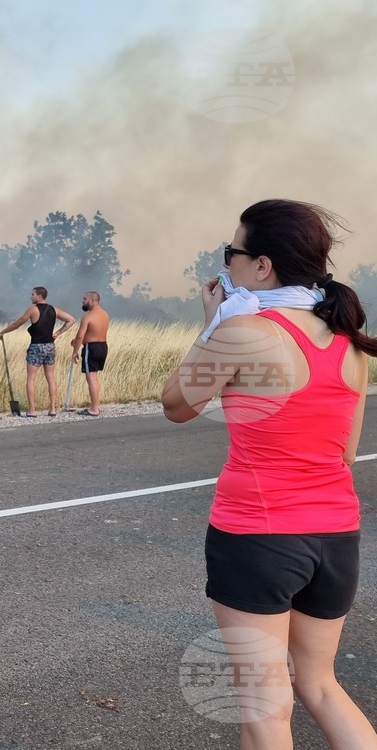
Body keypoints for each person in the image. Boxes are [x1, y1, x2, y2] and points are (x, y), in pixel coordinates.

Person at [161, 199, 377, 749]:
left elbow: (176, 404)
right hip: (335, 536)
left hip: (258, 533)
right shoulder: (350, 344)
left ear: (262, 266)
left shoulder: (245, 332)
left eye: (231, 252)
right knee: (321, 686)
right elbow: (346, 453)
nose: (225, 264)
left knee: (264, 703)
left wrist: (212, 324)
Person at [0, 286, 75, 416]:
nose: (31, 296)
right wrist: (58, 333)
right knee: (50, 377)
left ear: (39, 296)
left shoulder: (33, 309)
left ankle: (32, 410)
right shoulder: (54, 309)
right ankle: (53, 409)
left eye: (32, 294)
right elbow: (71, 320)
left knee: (31, 379)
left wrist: (2, 332)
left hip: (36, 346)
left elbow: (18, 323)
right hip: (50, 346)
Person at [70, 291, 110, 416]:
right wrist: (77, 342)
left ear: (93, 300)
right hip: (103, 346)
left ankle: (94, 409)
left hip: (91, 348)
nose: (83, 301)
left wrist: (75, 351)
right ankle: (95, 405)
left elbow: (80, 335)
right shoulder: (105, 315)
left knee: (91, 378)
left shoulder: (88, 316)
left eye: (85, 298)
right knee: (94, 377)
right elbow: (94, 332)